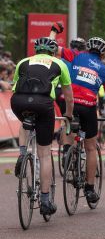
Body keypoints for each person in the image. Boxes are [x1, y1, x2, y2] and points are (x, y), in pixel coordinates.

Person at [49, 23, 105, 204]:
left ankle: (67, 150)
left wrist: (54, 31)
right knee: (90, 147)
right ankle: (89, 189)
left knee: (69, 122)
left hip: (70, 102)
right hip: (88, 106)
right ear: (103, 54)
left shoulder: (76, 55)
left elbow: (49, 46)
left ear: (87, 48)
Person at [11, 37, 74, 215]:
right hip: (43, 102)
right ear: (53, 52)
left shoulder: (23, 61)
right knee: (45, 154)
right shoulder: (60, 63)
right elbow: (69, 97)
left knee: (24, 120)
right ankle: (45, 200)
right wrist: (68, 115)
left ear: (36, 50)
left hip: (19, 101)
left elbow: (15, 86)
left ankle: (23, 152)